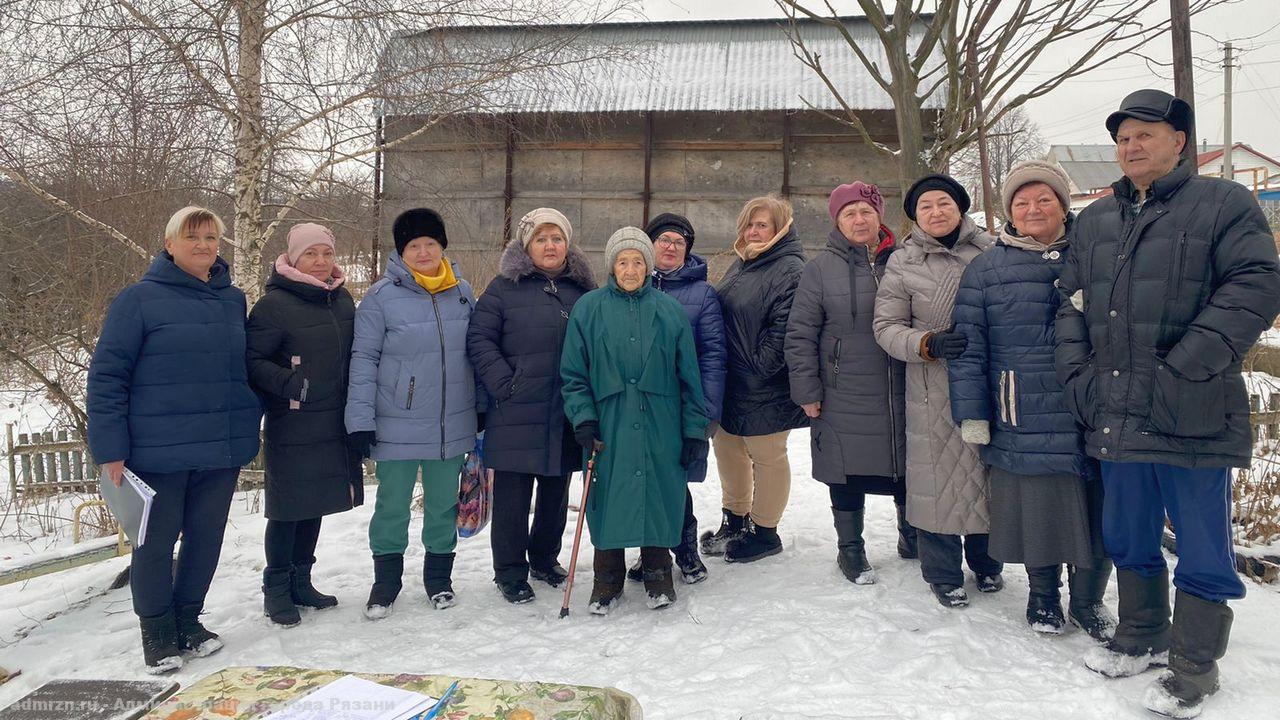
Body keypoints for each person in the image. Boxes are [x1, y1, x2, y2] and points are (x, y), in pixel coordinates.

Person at [1054, 89, 1280, 718]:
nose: (1131, 146)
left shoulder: (1223, 204)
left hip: (1193, 408)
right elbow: (1067, 302)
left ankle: (1194, 663)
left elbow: (1257, 283)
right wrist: (1079, 378)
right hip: (1116, 410)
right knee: (1127, 531)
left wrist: (1189, 365)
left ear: (1179, 141)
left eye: (1145, 134)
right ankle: (1141, 633)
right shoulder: (1097, 220)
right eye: (1124, 137)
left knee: (1203, 543)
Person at [87, 206, 262, 673]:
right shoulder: (138, 300)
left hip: (218, 449)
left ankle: (189, 620)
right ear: (169, 244)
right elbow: (108, 377)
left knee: (206, 540)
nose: (204, 245)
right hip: (156, 452)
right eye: (193, 237)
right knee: (156, 543)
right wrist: (111, 449)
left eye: (211, 237)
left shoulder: (232, 300)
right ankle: (158, 634)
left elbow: (238, 370)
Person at [948, 162, 1116, 638]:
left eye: (1044, 199)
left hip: (1090, 405)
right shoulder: (986, 269)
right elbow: (969, 347)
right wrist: (973, 414)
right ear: (1009, 214)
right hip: (1021, 409)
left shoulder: (1096, 255)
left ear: (1064, 206)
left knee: (1095, 507)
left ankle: (1088, 600)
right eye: (1021, 202)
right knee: (1038, 507)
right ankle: (1044, 595)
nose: (1033, 209)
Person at [560, 227, 709, 614]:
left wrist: (695, 429)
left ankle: (659, 572)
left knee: (659, 493)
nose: (630, 269)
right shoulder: (588, 309)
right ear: (612, 265)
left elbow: (689, 376)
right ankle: (606, 579)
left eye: (638, 262)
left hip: (662, 423)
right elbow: (574, 373)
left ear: (648, 266)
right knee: (608, 497)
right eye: (623, 262)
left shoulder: (669, 310)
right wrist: (583, 419)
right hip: (608, 423)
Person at [873, 174, 1003, 608]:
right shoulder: (902, 261)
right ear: (915, 215)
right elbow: (886, 327)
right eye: (925, 206)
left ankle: (987, 563)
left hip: (987, 381)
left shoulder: (992, 249)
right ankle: (943, 572)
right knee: (936, 480)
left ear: (961, 207)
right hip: (931, 385)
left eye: (944, 203)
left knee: (985, 473)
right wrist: (925, 343)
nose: (936, 212)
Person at [345, 208, 481, 618]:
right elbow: (363, 358)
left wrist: (483, 408)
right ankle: (386, 583)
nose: (423, 252)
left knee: (443, 505)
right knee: (392, 505)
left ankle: (439, 579)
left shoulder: (463, 292)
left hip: (451, 421)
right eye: (414, 246)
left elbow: (477, 353)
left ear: (442, 247)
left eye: (431, 244)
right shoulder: (381, 297)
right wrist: (360, 419)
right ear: (401, 252)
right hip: (395, 422)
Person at [467, 208, 596, 604]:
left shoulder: (582, 290)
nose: (550, 246)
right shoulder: (505, 287)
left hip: (564, 410)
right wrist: (505, 382)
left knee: (556, 492)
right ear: (527, 245)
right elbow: (479, 338)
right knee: (513, 496)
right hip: (517, 407)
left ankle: (544, 558)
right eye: (541, 239)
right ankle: (509, 571)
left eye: (557, 238)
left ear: (567, 244)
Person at [785, 182, 909, 585]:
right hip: (843, 390)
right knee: (846, 471)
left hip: (902, 386)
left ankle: (912, 536)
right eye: (849, 213)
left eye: (867, 212)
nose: (859, 220)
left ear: (880, 216)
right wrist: (807, 392)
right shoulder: (820, 269)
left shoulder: (904, 259)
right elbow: (800, 333)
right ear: (837, 221)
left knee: (907, 464)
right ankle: (850, 549)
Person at [246, 222, 362, 627]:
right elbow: (252, 361)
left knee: (313, 503)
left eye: (326, 253)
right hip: (292, 420)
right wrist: (291, 384)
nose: (320, 262)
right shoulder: (273, 305)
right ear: (293, 258)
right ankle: (276, 590)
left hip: (332, 419)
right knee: (286, 509)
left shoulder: (342, 301)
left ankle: (302, 581)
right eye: (311, 254)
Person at [619, 212, 725, 585]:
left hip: (680, 408)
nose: (670, 246)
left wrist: (707, 412)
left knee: (674, 482)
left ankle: (686, 551)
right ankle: (651, 554)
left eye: (679, 242)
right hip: (635, 406)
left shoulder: (702, 294)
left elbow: (713, 355)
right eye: (663, 239)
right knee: (640, 480)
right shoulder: (627, 286)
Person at [702, 196, 807, 563]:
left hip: (765, 384)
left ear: (781, 228)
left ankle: (765, 532)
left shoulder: (790, 268)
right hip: (734, 381)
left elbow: (786, 330)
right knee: (728, 449)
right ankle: (734, 520)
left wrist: (756, 368)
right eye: (749, 224)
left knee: (767, 456)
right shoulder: (746, 263)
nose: (753, 231)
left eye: (762, 224)